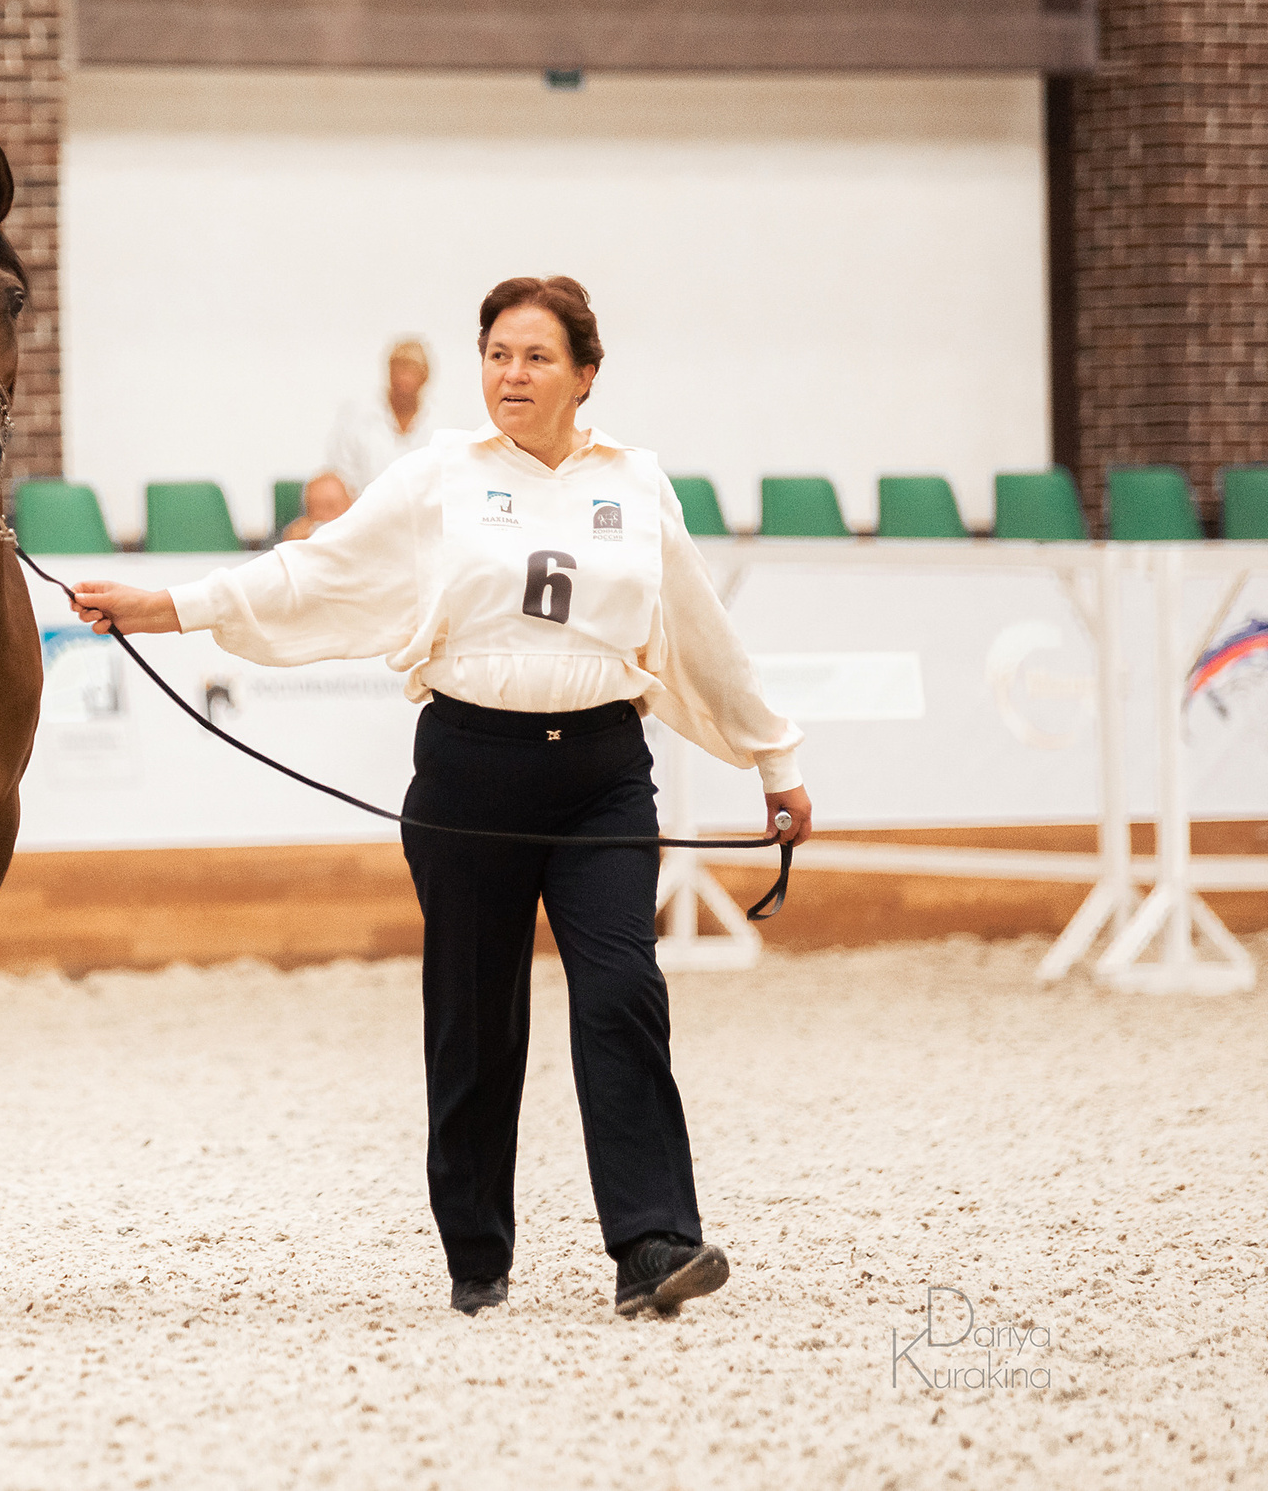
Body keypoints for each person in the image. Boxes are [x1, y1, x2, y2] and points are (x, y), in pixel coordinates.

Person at [69, 276, 811, 1321]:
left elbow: (697, 633)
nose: (512, 373)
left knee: (621, 992)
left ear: (584, 375)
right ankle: (477, 1253)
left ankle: (651, 1242)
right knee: (471, 1017)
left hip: (603, 775)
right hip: (470, 770)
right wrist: (171, 605)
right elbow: (315, 574)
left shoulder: (638, 485)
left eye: (537, 356)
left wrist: (774, 759)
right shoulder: (437, 482)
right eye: (498, 353)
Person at [324, 335, 436, 498]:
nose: (403, 378)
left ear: (425, 377)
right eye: (398, 368)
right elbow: (339, 475)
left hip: (424, 518)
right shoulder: (355, 417)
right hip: (364, 514)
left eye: (411, 370)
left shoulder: (441, 424)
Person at [280, 472, 351, 542]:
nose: (323, 515)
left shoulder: (356, 537)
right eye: (315, 508)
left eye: (330, 506)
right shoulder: (300, 538)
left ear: (349, 504)